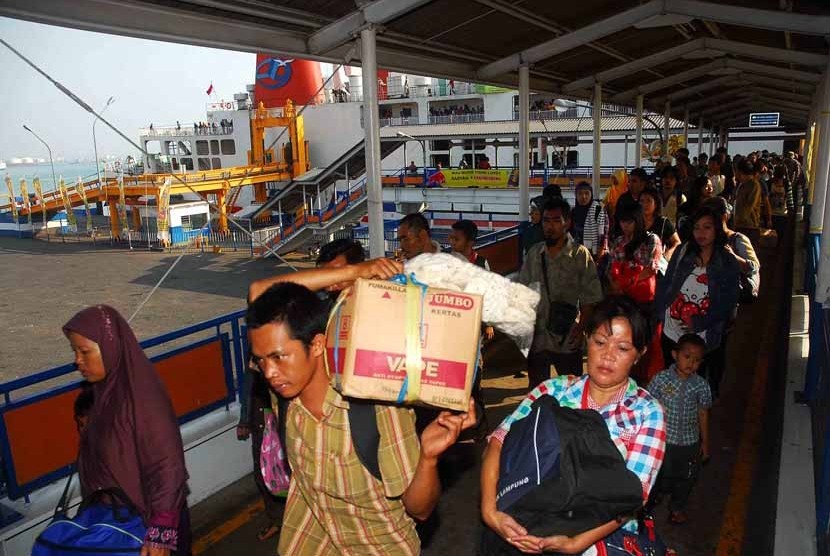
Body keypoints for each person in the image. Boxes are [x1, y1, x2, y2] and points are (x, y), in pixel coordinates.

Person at [246, 282, 476, 555]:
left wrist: (428, 458)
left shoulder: (374, 408)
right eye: (260, 360)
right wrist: (356, 273)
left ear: (318, 344)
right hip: (316, 542)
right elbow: (258, 290)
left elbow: (420, 509)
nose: (269, 372)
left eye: (279, 357)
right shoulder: (285, 397)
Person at [481, 296, 666, 555]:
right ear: (586, 339)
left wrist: (577, 542)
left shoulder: (647, 413)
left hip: (598, 540)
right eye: (600, 342)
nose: (608, 355)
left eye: (623, 348)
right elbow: (499, 442)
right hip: (524, 523)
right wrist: (490, 513)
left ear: (639, 355)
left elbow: (634, 495)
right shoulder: (553, 390)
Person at [63, 305, 190, 556]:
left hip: (147, 530)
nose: (78, 360)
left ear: (110, 349)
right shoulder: (103, 396)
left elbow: (168, 467)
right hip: (116, 524)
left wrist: (159, 536)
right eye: (75, 351)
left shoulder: (143, 399)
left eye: (85, 351)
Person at [655, 206, 741, 399]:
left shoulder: (727, 261)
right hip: (672, 330)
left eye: (707, 227)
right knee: (671, 381)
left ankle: (694, 423)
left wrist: (702, 322)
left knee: (695, 386)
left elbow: (728, 301)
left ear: (717, 229)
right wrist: (657, 315)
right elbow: (667, 283)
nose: (701, 233)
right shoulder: (683, 251)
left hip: (702, 334)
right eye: (696, 228)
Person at [517, 197, 603, 387]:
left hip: (568, 337)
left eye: (556, 221)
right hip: (538, 338)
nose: (550, 226)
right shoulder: (534, 254)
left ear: (567, 223)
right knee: (537, 393)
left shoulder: (580, 256)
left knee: (572, 393)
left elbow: (591, 298)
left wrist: (580, 328)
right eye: (547, 220)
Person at [646, 333, 711, 525]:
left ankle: (677, 507)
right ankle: (651, 500)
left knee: (687, 478)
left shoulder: (701, 386)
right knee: (658, 474)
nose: (691, 363)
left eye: (697, 360)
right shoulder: (660, 380)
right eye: (687, 356)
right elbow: (648, 404)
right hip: (664, 441)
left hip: (690, 443)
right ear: (675, 355)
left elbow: (703, 413)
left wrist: (705, 442)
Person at [640, 186, 681, 263]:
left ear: (656, 204)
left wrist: (668, 254)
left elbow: (677, 242)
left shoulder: (663, 222)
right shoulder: (635, 222)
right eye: (641, 201)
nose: (644, 204)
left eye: (648, 201)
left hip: (658, 264)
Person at [570, 181, 609, 260]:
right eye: (580, 193)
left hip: (594, 252)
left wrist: (599, 254)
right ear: (576, 195)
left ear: (591, 195)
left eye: (587, 193)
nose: (583, 197)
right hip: (576, 252)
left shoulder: (598, 210)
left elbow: (604, 234)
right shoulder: (573, 212)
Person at [677, 176, 716, 242]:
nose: (710, 189)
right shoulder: (686, 207)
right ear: (699, 187)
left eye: (711, 186)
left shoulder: (714, 206)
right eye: (707, 186)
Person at [732, 159, 762, 230]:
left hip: (749, 225)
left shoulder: (754, 185)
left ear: (740, 172)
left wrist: (739, 218)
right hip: (739, 224)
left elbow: (749, 206)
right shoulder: (741, 184)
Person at [769, 166, 794, 240]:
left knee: (773, 236)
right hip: (782, 214)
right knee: (779, 236)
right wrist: (791, 211)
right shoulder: (786, 183)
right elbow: (790, 199)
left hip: (774, 214)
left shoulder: (771, 183)